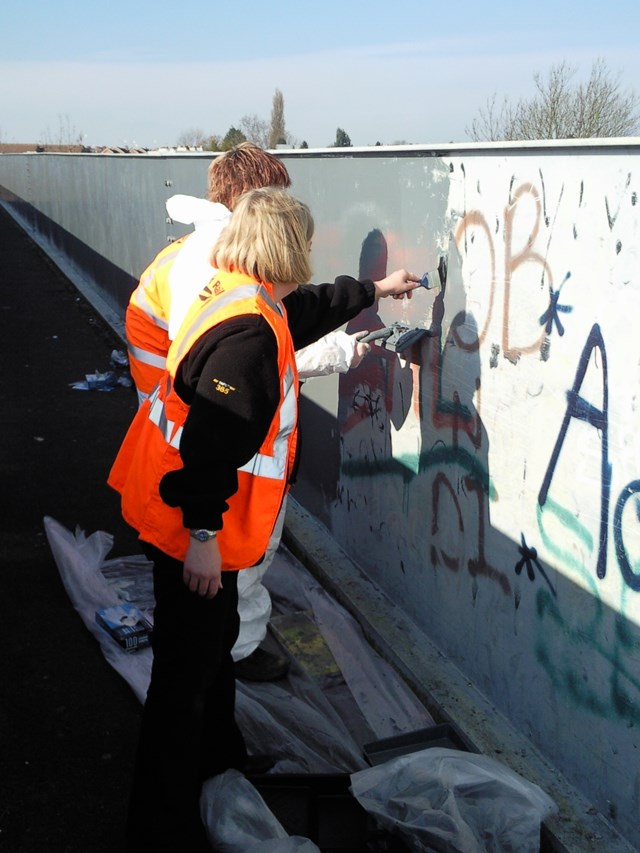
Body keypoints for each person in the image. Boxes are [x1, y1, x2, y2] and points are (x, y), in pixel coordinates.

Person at [108, 186, 419, 850]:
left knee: (210, 654)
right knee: (181, 686)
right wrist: (200, 537)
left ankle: (219, 766)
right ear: (285, 246)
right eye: (303, 241)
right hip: (189, 525)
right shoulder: (248, 333)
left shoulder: (243, 293)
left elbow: (303, 310)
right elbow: (211, 446)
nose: (307, 253)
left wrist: (372, 289)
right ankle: (159, 827)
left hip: (187, 515)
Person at [123, 142, 392, 681]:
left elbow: (291, 313)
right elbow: (247, 359)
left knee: (206, 626)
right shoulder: (225, 284)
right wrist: (203, 534)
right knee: (197, 638)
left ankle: (223, 679)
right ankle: (229, 664)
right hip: (196, 452)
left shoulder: (228, 262)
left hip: (183, 438)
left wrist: (373, 291)